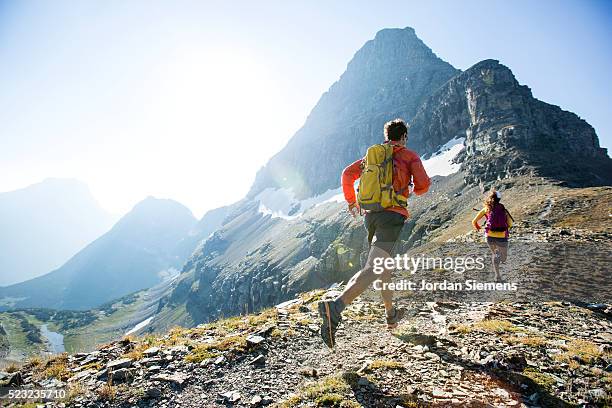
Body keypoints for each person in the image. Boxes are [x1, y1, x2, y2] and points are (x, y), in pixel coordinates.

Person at [317, 118, 431, 348]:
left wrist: (352, 203)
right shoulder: (409, 156)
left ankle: (391, 315)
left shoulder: (372, 157)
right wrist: (410, 188)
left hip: (371, 216)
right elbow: (424, 186)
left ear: (387, 135)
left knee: (384, 266)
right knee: (375, 266)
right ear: (404, 137)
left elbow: (347, 175)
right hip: (392, 216)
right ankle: (335, 307)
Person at [472, 190, 513, 282]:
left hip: (489, 236)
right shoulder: (503, 210)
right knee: (504, 258)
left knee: (495, 254)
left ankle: (497, 276)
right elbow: (510, 224)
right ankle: (500, 262)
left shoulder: (486, 209)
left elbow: (474, 222)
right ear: (499, 199)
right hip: (502, 236)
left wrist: (479, 228)